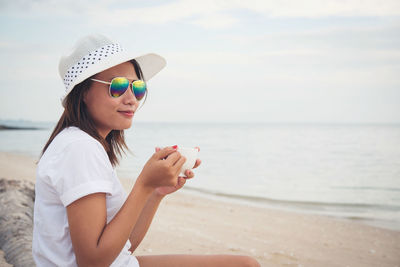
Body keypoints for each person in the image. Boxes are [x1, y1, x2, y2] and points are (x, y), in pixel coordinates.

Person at [32, 34, 261, 267]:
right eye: (118, 86)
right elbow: (92, 262)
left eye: (137, 87)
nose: (132, 99)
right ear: (83, 94)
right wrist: (144, 184)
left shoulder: (80, 143)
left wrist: (155, 192)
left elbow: (121, 245)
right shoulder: (79, 149)